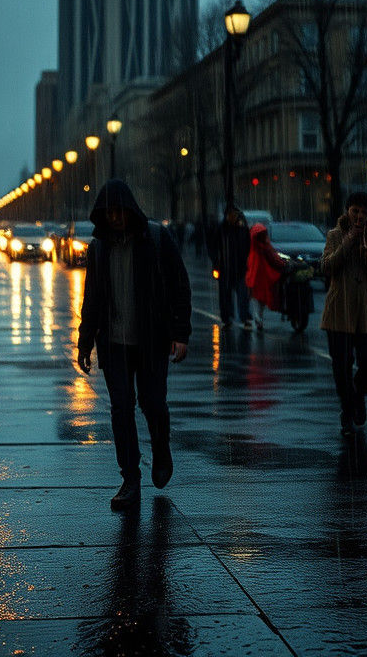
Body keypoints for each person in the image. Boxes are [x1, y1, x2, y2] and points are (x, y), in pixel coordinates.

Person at [77, 179, 192, 512]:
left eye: (119, 211)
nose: (114, 218)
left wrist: (180, 333)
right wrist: (85, 342)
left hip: (151, 340)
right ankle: (130, 478)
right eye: (108, 212)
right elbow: (92, 300)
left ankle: (160, 448)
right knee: (121, 409)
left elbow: (180, 285)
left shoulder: (155, 239)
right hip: (113, 344)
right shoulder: (98, 249)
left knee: (153, 403)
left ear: (130, 210)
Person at [319, 191, 367, 437]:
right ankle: (347, 411)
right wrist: (347, 243)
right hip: (340, 309)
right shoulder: (335, 236)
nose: (359, 217)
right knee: (342, 366)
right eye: (355, 211)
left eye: (363, 212)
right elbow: (326, 266)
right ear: (347, 211)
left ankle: (357, 397)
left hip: (366, 311)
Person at [209, 206, 251, 328]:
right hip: (225, 267)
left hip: (240, 267)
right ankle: (227, 317)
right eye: (231, 215)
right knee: (226, 295)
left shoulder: (241, 229)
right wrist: (216, 261)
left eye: (235, 215)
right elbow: (213, 247)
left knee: (242, 294)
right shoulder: (221, 230)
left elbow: (247, 245)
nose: (233, 217)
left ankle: (244, 316)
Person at [245, 222, 287, 331]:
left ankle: (258, 318)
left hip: (255, 276)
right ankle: (259, 318)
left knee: (256, 299)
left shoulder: (252, 247)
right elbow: (273, 257)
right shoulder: (264, 246)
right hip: (263, 276)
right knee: (261, 299)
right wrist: (282, 264)